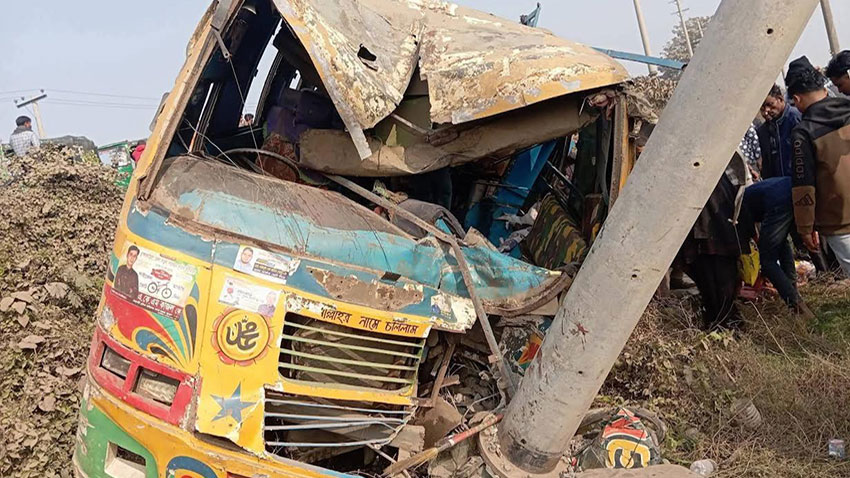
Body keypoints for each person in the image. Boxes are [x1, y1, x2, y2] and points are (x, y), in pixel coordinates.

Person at [787, 56, 850, 277]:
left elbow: (803, 184)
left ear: (797, 99)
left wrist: (805, 228)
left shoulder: (803, 132)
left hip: (840, 222)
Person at [743, 177, 814, 318]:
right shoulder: (747, 194)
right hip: (792, 192)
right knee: (781, 244)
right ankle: (793, 291)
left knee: (767, 260)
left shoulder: (735, 206)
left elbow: (752, 237)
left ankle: (797, 306)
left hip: (778, 200)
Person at [758, 84, 802, 179]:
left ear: (780, 99)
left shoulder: (795, 118)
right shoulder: (763, 130)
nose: (766, 111)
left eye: (770, 105)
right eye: (762, 108)